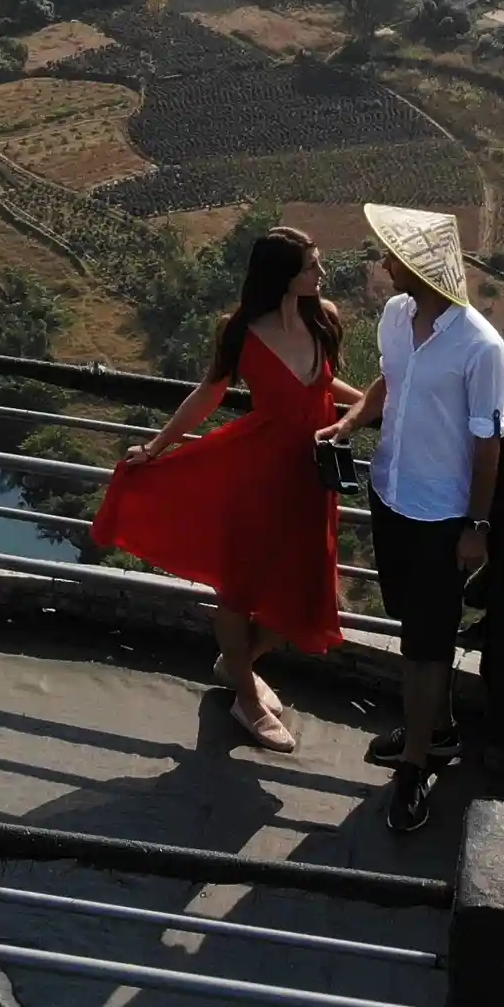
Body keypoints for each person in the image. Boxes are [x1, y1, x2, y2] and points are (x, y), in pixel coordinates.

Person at [92, 227, 362, 751]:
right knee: (241, 592)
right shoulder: (240, 331)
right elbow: (208, 395)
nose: (322, 274)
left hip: (310, 481)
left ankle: (237, 661)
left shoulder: (321, 317)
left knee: (306, 594)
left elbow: (322, 385)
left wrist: (373, 403)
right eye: (312, 265)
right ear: (283, 275)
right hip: (256, 476)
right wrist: (156, 448)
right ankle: (246, 697)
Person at [316, 203, 504, 833]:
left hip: (439, 514)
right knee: (413, 627)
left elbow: (489, 446)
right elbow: (388, 380)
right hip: (391, 493)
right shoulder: (397, 317)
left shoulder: (481, 348)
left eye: (391, 256)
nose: (382, 265)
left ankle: (414, 767)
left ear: (419, 268)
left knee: (426, 645)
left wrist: (477, 527)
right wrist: (351, 420)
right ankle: (439, 729)